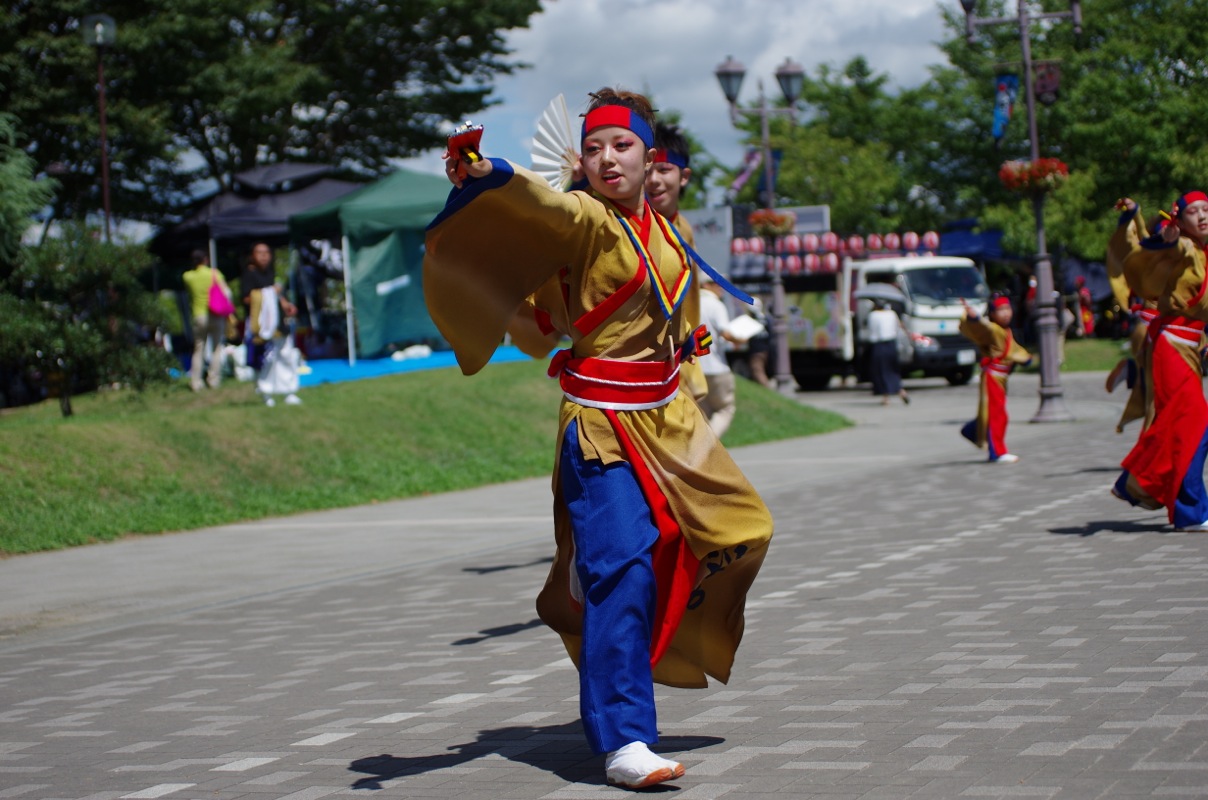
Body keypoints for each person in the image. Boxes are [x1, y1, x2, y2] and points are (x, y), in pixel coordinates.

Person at [423, 87, 773, 789]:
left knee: (743, 529)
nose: (607, 158)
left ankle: (620, 635)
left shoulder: (669, 234)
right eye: (593, 147)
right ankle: (623, 739)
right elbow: (540, 203)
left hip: (670, 422)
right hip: (601, 424)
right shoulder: (586, 219)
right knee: (625, 567)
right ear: (578, 162)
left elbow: (677, 319)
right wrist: (492, 175)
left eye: (622, 146)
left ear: (652, 160)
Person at [1110, 194, 1208, 531]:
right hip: (1170, 343)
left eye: (1207, 210)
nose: (1203, 217)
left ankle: (1136, 482)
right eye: (1194, 212)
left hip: (1190, 346)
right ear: (1180, 221)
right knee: (1194, 422)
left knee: (1178, 423)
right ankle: (1189, 510)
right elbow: (1154, 250)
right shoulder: (1182, 247)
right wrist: (1161, 236)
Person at [645, 122, 708, 404]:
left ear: (684, 176)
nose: (653, 180)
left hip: (676, 366)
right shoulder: (625, 224)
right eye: (647, 170)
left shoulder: (684, 229)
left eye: (663, 169)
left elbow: (691, 301)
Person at [959, 295, 1031, 463]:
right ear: (992, 314)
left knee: (992, 412)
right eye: (1000, 310)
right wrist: (974, 318)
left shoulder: (1006, 331)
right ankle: (997, 451)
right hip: (992, 376)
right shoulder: (994, 329)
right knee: (997, 414)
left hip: (1000, 378)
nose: (1006, 313)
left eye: (1008, 309)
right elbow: (983, 328)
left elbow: (1014, 349)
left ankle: (973, 430)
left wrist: (1025, 358)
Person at [697, 274, 750, 437]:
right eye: (716, 282)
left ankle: (701, 448)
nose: (721, 287)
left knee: (703, 413)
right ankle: (709, 446)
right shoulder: (715, 305)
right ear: (705, 285)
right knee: (725, 408)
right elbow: (725, 333)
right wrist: (740, 338)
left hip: (695, 368)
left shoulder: (691, 304)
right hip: (716, 367)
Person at [181, 248, 232, 391]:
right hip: (215, 313)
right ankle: (213, 379)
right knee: (216, 348)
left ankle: (196, 382)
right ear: (206, 259)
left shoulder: (188, 276)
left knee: (198, 349)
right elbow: (226, 293)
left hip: (199, 315)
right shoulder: (214, 274)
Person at [866, 299, 909, 405]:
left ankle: (886, 397)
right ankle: (900, 391)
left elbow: (871, 330)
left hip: (878, 345)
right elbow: (899, 326)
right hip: (891, 344)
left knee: (881, 371)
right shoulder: (892, 314)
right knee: (893, 369)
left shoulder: (873, 315)